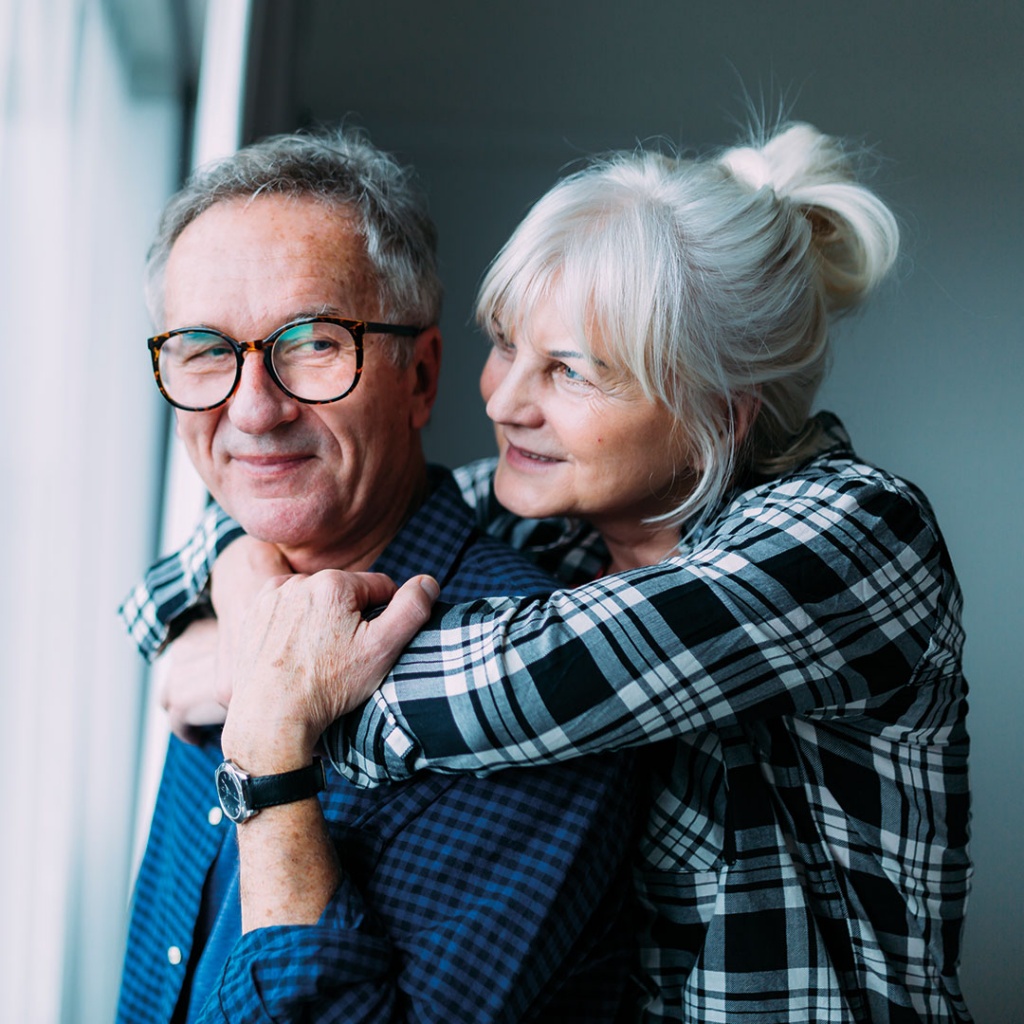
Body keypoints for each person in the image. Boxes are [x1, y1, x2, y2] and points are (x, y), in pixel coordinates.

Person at [124, 122, 972, 1023]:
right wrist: (242, 589)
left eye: (570, 371)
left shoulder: (856, 533)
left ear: (715, 415)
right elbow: (217, 552)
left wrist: (270, 693)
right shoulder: (557, 527)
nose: (502, 399)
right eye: (505, 344)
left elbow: (536, 680)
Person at [115, 128, 643, 1024]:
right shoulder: (229, 590)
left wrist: (271, 748)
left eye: (314, 343)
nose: (252, 409)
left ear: (421, 377)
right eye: (205, 351)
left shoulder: (535, 684)